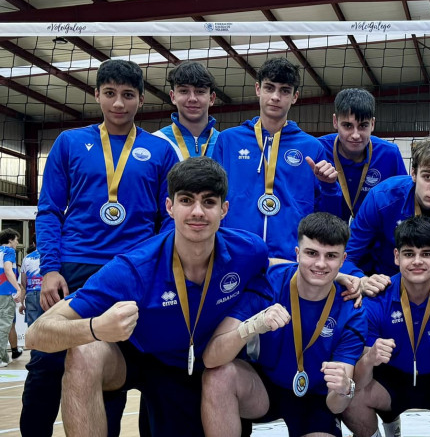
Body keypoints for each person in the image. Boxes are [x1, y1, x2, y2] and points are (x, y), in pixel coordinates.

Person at [25, 157, 269, 437]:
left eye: (209, 202)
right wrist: (95, 328)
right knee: (85, 350)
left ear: (224, 209)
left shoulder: (250, 252)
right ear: (169, 207)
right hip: (142, 357)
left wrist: (330, 277)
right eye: (187, 200)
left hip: (204, 364)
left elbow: (276, 269)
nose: (198, 212)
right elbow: (35, 334)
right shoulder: (132, 269)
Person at [26, 58, 179, 437]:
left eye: (128, 95)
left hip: (131, 272)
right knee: (47, 362)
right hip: (74, 268)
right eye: (110, 94)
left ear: (141, 100)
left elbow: (169, 222)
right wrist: (50, 268)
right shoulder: (70, 142)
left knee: (122, 362)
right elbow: (48, 211)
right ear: (97, 94)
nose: (118, 104)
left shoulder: (159, 152)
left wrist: (156, 271)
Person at [201, 212, 364, 437]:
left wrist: (344, 388)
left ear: (343, 260)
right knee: (218, 377)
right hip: (264, 388)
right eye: (311, 253)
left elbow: (336, 405)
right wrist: (252, 326)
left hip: (316, 398)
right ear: (297, 254)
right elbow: (211, 358)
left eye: (331, 256)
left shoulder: (351, 309)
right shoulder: (270, 283)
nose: (320, 263)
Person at [343, 216, 430, 437]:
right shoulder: (376, 299)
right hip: (391, 381)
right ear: (397, 257)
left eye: (426, 253)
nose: (417, 261)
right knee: (348, 397)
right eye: (409, 254)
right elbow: (358, 382)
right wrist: (369, 358)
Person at [212, 57, 340, 260]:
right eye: (269, 88)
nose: (275, 97)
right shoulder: (228, 140)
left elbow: (328, 215)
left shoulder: (311, 147)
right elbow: (212, 197)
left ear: (295, 96)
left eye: (284, 91)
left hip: (290, 258)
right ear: (257, 89)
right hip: (234, 254)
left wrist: (330, 187)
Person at [346, 139, 430, 295]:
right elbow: (347, 257)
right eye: (427, 176)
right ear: (413, 173)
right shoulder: (381, 199)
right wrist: (361, 280)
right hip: (387, 286)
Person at [319, 88, 408, 222]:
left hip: (373, 239)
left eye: (363, 126)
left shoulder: (389, 153)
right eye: (348, 125)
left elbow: (403, 201)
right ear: (335, 122)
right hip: (326, 236)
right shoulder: (319, 149)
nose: (355, 135)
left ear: (372, 124)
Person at [153, 61, 220, 160]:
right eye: (184, 91)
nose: (192, 98)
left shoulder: (225, 142)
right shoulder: (156, 141)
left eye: (200, 91)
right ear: (173, 97)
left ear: (212, 98)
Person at [0, 228, 24, 366]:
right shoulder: (9, 251)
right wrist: (18, 288)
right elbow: (8, 270)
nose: (17, 242)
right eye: (16, 239)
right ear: (10, 240)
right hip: (4, 293)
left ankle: (4, 357)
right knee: (4, 326)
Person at [21, 245, 41, 327]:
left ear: (33, 243)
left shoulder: (27, 258)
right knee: (51, 325)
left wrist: (22, 302)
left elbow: (23, 281)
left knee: (33, 326)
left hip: (32, 293)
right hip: (51, 293)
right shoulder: (52, 255)